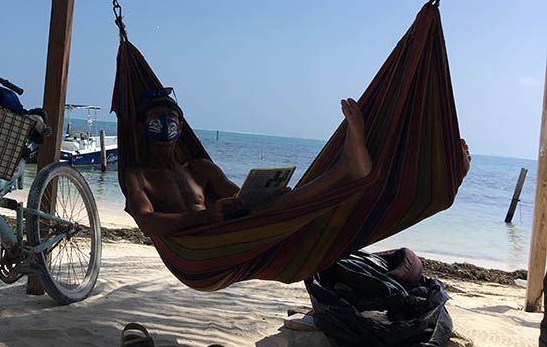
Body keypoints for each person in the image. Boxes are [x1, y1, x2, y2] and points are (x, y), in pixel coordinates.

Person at [124, 90, 471, 238]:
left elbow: (238, 197)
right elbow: (147, 222)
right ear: (143, 127)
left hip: (229, 232)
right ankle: (347, 169)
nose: (165, 122)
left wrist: (260, 196)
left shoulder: (200, 168)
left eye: (171, 117)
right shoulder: (138, 175)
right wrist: (209, 217)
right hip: (197, 244)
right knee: (288, 207)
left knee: (285, 203)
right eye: (157, 117)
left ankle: (413, 182)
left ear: (181, 126)